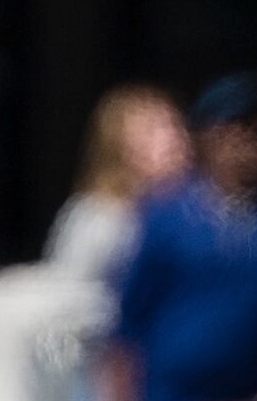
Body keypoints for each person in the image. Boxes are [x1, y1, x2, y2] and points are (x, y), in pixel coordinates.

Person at [110, 74, 257, 401]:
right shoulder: (168, 215)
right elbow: (130, 320)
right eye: (235, 129)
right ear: (207, 138)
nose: (250, 140)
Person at [40, 81, 190, 286]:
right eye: (152, 129)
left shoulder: (199, 215)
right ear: (118, 146)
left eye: (175, 125)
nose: (174, 138)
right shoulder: (96, 218)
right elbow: (68, 296)